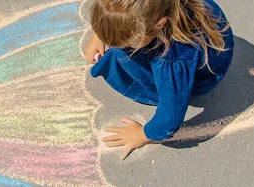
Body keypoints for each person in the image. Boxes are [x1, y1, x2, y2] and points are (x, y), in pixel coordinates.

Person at [85, 0, 234, 159]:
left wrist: (143, 134)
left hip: (204, 74)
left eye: (127, 41)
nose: (113, 44)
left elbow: (171, 115)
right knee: (124, 48)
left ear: (159, 25)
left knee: (122, 56)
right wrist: (102, 31)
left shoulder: (172, 58)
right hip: (207, 24)